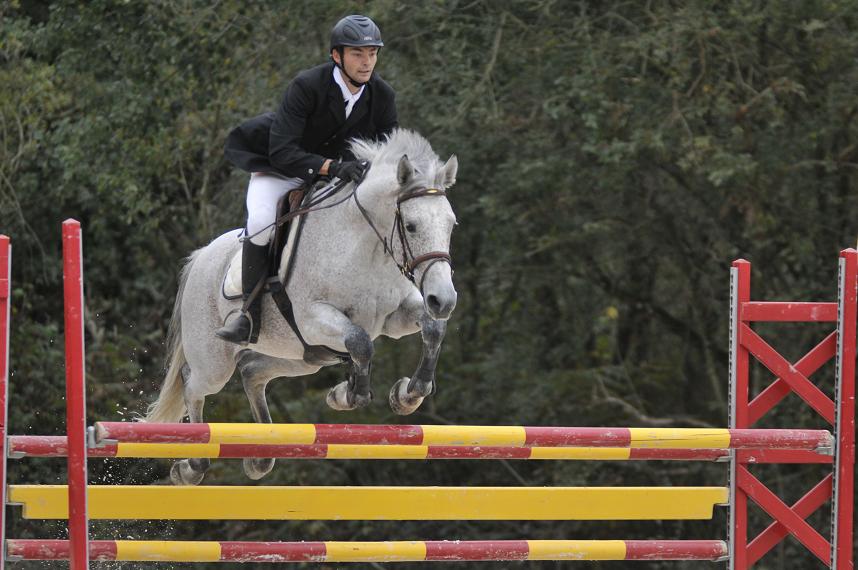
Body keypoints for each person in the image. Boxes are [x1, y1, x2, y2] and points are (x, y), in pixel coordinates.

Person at [216, 14, 398, 345]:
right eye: (358, 54)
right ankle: (248, 314)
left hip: (338, 180)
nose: (367, 62)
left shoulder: (382, 96)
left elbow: (384, 157)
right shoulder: (307, 86)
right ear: (336, 56)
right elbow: (284, 152)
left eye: (372, 53)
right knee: (260, 221)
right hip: (282, 169)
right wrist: (332, 167)